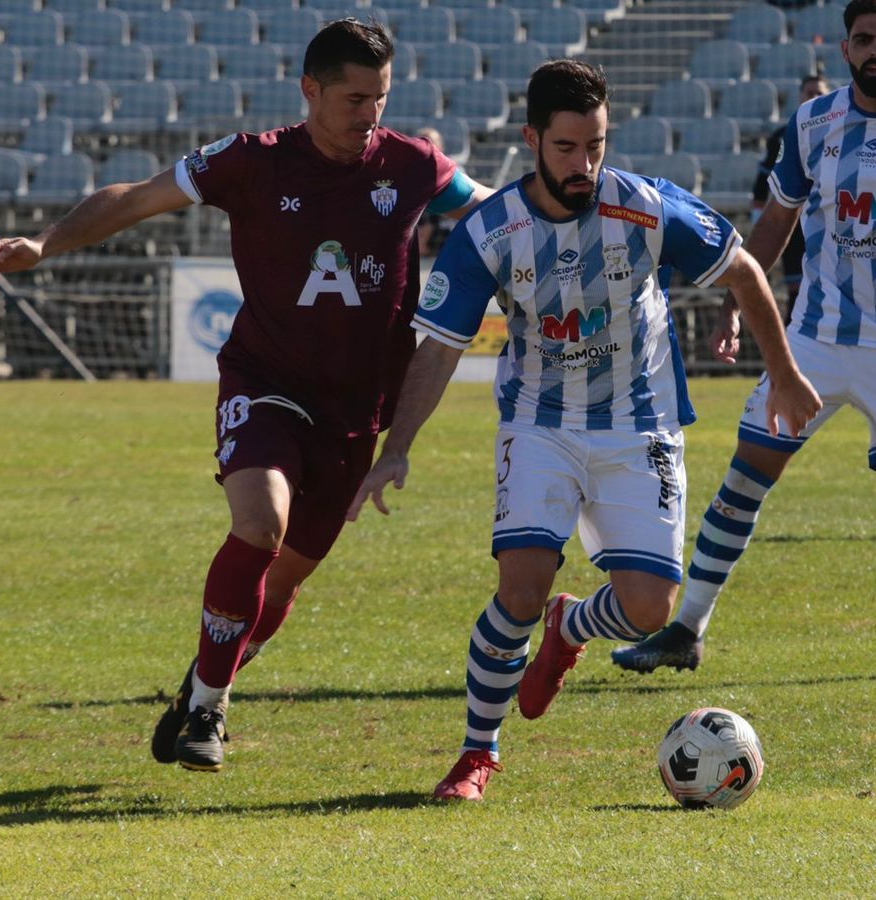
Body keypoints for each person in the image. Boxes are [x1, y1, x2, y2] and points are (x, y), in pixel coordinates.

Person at [0, 19, 493, 773]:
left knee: (282, 580)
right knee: (260, 525)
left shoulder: (414, 165)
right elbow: (136, 197)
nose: (369, 115)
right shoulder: (251, 161)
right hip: (266, 382)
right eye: (354, 98)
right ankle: (212, 714)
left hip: (357, 414)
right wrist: (47, 244)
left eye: (380, 99)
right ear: (310, 91)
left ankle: (200, 685)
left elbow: (500, 211)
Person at [348, 59, 822, 802]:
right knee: (521, 588)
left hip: (641, 425)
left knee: (648, 612)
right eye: (568, 148)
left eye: (596, 145)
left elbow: (745, 274)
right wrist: (397, 447)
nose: (585, 164)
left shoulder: (646, 208)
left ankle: (572, 629)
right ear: (534, 139)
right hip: (540, 422)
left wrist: (787, 375)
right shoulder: (488, 231)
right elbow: (439, 346)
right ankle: (477, 755)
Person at [611, 0, 876, 682]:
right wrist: (739, 302)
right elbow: (773, 225)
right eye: (864, 39)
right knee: (744, 477)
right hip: (814, 342)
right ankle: (687, 629)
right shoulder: (813, 123)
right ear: (846, 50)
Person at [753, 74, 831, 308]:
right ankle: (790, 343)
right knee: (797, 294)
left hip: (830, 223)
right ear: (800, 97)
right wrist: (758, 217)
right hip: (793, 226)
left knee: (828, 290)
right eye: (809, 93)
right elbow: (761, 181)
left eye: (820, 94)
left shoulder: (844, 133)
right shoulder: (784, 135)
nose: (814, 97)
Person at [414, 126, 450, 256]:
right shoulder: (408, 174)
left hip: (442, 228)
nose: (429, 146)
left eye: (432, 142)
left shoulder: (454, 172)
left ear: (441, 146)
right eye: (424, 142)